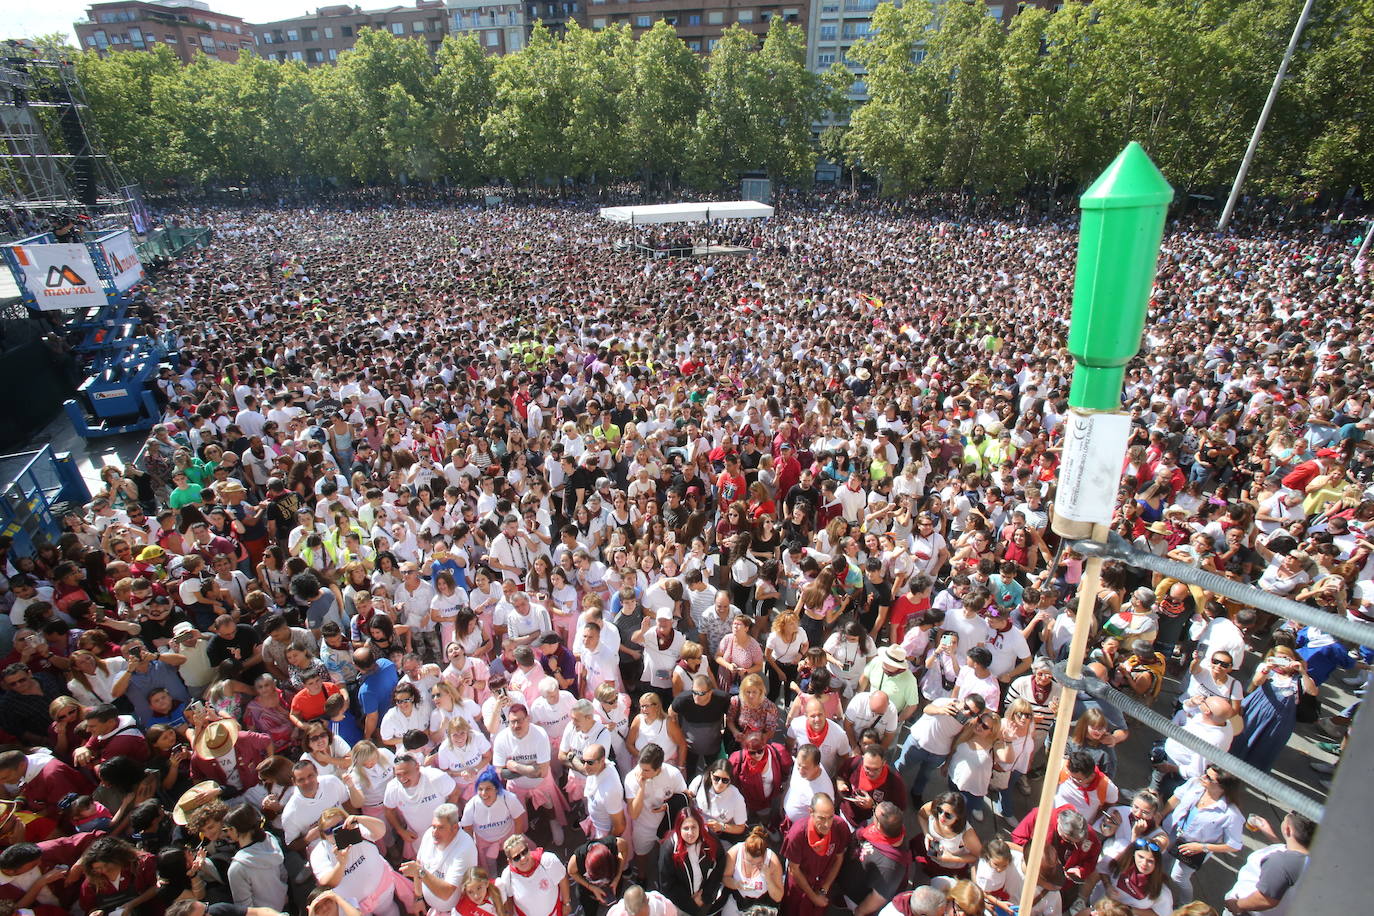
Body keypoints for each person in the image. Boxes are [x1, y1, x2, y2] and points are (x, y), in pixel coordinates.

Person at [1160, 765, 1245, 900]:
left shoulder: (1231, 815)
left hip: (1194, 849)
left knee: (1178, 877)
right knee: (1162, 863)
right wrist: (1161, 814)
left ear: (1223, 787)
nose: (1203, 777)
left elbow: (1234, 845)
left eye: (1209, 778)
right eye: (1205, 772)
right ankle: (1157, 889)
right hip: (1173, 832)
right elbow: (1176, 797)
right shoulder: (1195, 784)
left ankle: (1185, 903)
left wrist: (1202, 847)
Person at [1223, 812, 1314, 916]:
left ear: (1288, 830)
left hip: (1246, 912)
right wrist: (1269, 833)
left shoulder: (1281, 863)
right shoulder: (1309, 859)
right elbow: (1290, 856)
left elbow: (1265, 899)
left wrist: (1237, 905)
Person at [400, 802, 477, 916]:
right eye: (434, 826)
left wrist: (420, 872)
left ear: (454, 828)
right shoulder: (428, 835)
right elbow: (419, 864)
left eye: (441, 828)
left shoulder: (465, 848)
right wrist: (419, 898)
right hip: (433, 908)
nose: (434, 832)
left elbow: (446, 893)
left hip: (457, 911)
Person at [779, 793, 850, 916]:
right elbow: (794, 869)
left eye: (830, 817)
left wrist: (824, 889)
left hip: (823, 883)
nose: (827, 824)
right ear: (811, 812)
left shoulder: (839, 826)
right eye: (821, 818)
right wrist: (813, 897)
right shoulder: (798, 834)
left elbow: (839, 858)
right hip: (800, 886)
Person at [625, 743, 687, 872]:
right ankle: (642, 876)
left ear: (659, 768)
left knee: (667, 857)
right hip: (643, 826)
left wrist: (667, 806)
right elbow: (633, 814)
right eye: (640, 767)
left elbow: (685, 798)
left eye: (646, 770)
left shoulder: (673, 774)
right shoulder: (632, 778)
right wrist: (641, 788)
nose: (641, 773)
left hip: (668, 826)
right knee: (641, 854)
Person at [656, 807, 726, 915]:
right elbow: (667, 884)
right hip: (680, 904)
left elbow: (720, 863)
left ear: (700, 827)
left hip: (704, 899)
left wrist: (705, 896)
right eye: (686, 828)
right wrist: (690, 903)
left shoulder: (710, 839)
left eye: (694, 827)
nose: (690, 833)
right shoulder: (669, 848)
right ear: (679, 829)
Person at [224, 804, 289, 913]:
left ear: (235, 829)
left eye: (227, 829)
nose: (227, 833)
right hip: (283, 905)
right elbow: (283, 875)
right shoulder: (270, 839)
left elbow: (245, 908)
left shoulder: (237, 867)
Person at [496, 834, 569, 916]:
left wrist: (566, 903)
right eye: (517, 857)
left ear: (528, 848)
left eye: (524, 852)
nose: (523, 858)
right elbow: (509, 899)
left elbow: (562, 878)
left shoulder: (548, 860)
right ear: (510, 861)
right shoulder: (507, 876)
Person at [720, 826, 784, 916]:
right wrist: (736, 884)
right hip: (736, 901)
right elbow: (724, 878)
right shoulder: (735, 851)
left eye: (758, 863)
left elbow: (778, 897)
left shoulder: (772, 861)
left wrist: (768, 878)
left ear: (764, 855)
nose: (753, 865)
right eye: (749, 862)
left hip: (759, 907)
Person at [569, 835, 632, 916]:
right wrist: (591, 887)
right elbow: (571, 871)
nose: (603, 882)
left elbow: (625, 848)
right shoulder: (579, 858)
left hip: (614, 886)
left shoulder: (614, 845)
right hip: (588, 892)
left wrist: (617, 877)